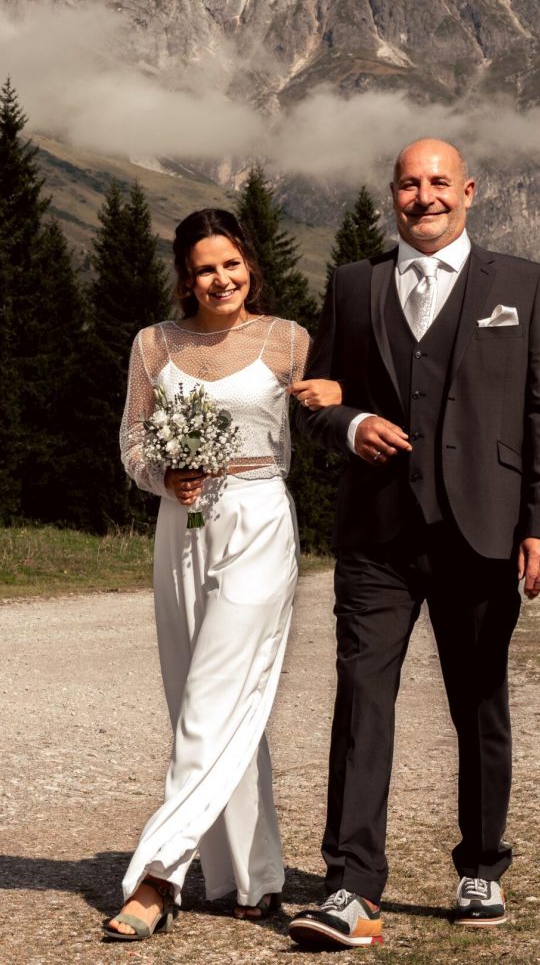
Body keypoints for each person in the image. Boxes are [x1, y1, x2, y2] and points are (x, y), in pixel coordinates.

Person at [287, 138, 540, 951]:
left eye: (439, 182)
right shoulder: (352, 285)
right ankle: (351, 886)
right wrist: (349, 424)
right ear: (392, 194)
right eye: (410, 184)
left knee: (478, 702)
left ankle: (481, 864)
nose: (425, 196)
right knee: (361, 698)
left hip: (483, 532)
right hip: (377, 536)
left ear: (470, 191)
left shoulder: (523, 285)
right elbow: (317, 400)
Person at [102, 207, 340, 941]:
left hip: (259, 520)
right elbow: (132, 442)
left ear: (250, 267)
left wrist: (336, 397)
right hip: (182, 525)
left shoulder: (287, 340)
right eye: (206, 268)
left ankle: (157, 877)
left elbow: (333, 413)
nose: (221, 278)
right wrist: (159, 477)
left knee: (213, 697)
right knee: (201, 698)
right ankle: (250, 878)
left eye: (231, 265)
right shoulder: (155, 344)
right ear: (186, 277)